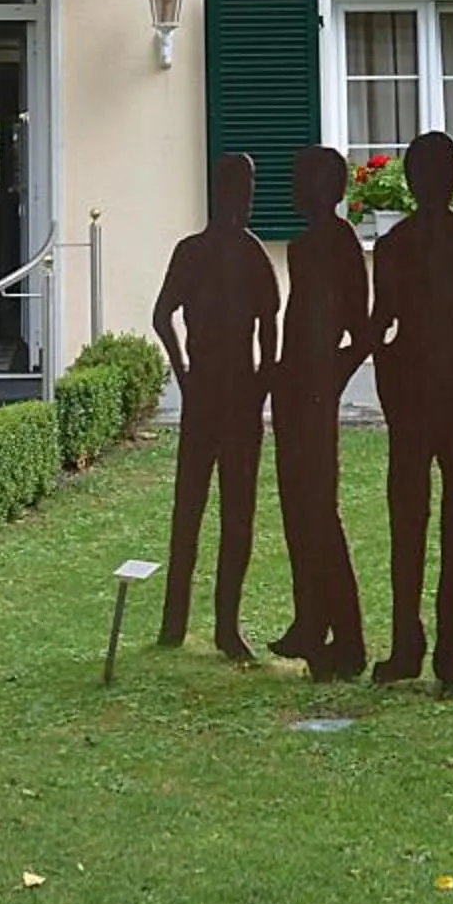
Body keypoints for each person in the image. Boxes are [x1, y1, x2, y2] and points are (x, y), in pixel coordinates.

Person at [369, 130, 453, 695]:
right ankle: (408, 644)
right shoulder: (396, 245)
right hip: (414, 394)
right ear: (414, 180)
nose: (438, 181)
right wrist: (389, 395)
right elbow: (381, 328)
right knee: (409, 524)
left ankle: (451, 650)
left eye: (447, 170)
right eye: (429, 171)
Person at [152, 150, 281, 661]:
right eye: (242, 191)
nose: (246, 201)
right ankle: (180, 621)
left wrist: (262, 379)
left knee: (229, 511)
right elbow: (164, 316)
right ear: (227, 194)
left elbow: (271, 322)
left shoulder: (243, 254)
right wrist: (184, 371)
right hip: (215, 388)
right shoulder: (215, 252)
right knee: (200, 508)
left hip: (228, 390)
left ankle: (220, 625)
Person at [266, 144, 369, 680]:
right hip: (293, 383)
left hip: (313, 388)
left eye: (300, 178)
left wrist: (331, 377)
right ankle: (311, 621)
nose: (292, 187)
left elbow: (363, 326)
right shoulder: (306, 244)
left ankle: (348, 638)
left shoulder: (339, 243)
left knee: (318, 510)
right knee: (297, 509)